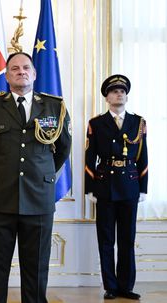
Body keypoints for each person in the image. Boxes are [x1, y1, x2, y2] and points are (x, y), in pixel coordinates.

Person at [0, 52, 72, 303]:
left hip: (38, 198)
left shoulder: (54, 107)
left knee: (36, 270)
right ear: (6, 76)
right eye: (14, 68)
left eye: (26, 67)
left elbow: (62, 150)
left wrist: (42, 175)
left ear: (34, 74)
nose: (21, 71)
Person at [85, 74, 147, 300]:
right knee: (106, 239)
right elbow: (90, 156)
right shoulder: (96, 123)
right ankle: (110, 286)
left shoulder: (138, 122)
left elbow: (143, 156)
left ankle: (126, 286)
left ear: (127, 96)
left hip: (130, 185)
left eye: (122, 91)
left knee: (127, 239)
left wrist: (143, 188)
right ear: (107, 97)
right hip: (105, 185)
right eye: (114, 91)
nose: (119, 94)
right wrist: (89, 188)